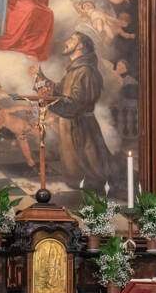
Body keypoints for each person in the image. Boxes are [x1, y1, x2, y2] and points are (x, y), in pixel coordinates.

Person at [28, 32, 114, 185]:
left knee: (91, 170)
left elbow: (77, 104)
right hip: (71, 127)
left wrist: (53, 104)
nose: (67, 42)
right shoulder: (75, 70)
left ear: (80, 46)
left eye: (72, 39)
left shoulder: (85, 71)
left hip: (81, 128)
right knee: (77, 174)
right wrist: (39, 76)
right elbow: (57, 90)